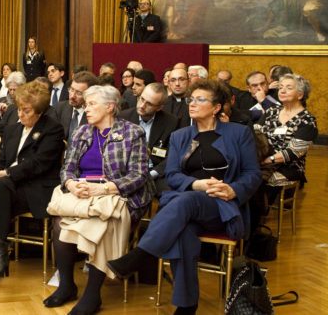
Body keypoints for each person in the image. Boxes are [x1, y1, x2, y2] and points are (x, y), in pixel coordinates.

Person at [107, 79, 262, 315]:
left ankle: (141, 255)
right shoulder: (181, 135)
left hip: (223, 206)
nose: (193, 104)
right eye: (192, 99)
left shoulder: (238, 133)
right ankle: (187, 305)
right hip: (187, 206)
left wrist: (233, 190)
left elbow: (253, 174)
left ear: (217, 107)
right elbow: (172, 175)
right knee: (184, 231)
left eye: (201, 100)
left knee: (183, 201)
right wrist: (197, 183)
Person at [43, 85, 151, 313]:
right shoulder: (81, 132)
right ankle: (66, 285)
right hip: (81, 194)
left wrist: (103, 189)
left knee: (103, 224)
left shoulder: (132, 133)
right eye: (86, 104)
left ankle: (93, 295)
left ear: (110, 107)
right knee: (59, 224)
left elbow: (139, 175)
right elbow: (68, 168)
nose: (86, 108)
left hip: (116, 196)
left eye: (92, 104)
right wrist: (71, 184)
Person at [0, 81, 65, 294]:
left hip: (36, 189)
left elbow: (38, 164)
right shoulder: (13, 129)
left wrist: (2, 174)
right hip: (7, 189)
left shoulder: (53, 129)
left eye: (27, 111)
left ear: (40, 112)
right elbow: (3, 162)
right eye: (19, 109)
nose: (20, 115)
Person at [250, 74, 317, 232]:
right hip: (261, 161)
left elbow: (294, 152)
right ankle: (248, 222)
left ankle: (254, 227)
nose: (282, 90)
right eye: (280, 87)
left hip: (288, 167)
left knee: (256, 182)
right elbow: (255, 134)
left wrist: (267, 160)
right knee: (244, 178)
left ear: (300, 94)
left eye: (289, 87)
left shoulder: (307, 120)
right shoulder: (271, 112)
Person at [119, 82, 180, 195]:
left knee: (170, 193)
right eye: (142, 99)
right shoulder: (123, 117)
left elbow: (173, 155)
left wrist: (153, 174)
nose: (142, 105)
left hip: (155, 173)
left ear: (159, 107)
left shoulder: (171, 122)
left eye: (149, 104)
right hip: (127, 172)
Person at [50, 71, 99, 142]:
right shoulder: (60, 107)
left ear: (90, 94)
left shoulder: (95, 113)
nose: (72, 96)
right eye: (72, 90)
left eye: (79, 93)